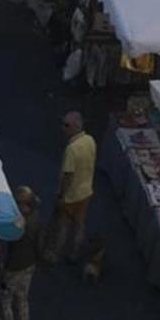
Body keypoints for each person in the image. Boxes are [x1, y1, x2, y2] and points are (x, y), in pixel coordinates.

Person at [50, 109, 97, 263]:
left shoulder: (72, 149)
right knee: (79, 224)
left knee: (63, 225)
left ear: (74, 127)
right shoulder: (90, 140)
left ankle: (56, 254)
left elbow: (68, 176)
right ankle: (75, 253)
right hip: (86, 191)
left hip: (71, 195)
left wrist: (60, 195)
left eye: (66, 125)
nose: (63, 128)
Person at [0, 186, 41, 320]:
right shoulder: (36, 217)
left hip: (14, 267)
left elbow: (9, 234)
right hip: (29, 265)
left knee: (6, 302)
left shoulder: (20, 224)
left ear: (25, 206)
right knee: (22, 300)